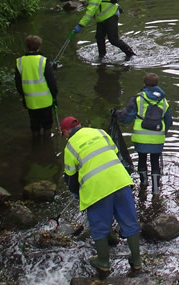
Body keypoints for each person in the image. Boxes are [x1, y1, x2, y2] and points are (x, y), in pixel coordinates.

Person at [61, 115, 142, 275]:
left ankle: (103, 262)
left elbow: (70, 178)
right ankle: (137, 261)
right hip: (121, 181)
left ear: (65, 132)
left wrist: (78, 195)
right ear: (80, 124)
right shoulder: (100, 132)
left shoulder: (70, 147)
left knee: (99, 227)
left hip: (97, 189)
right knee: (129, 221)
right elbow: (117, 154)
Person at [116, 72, 172, 197]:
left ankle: (144, 184)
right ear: (157, 84)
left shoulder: (138, 99)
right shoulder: (164, 101)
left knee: (142, 160)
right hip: (157, 138)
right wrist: (162, 133)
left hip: (140, 138)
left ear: (144, 84)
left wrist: (116, 114)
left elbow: (126, 117)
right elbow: (169, 121)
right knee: (155, 162)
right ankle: (156, 190)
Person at [71, 0, 136, 62]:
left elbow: (91, 11)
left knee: (113, 40)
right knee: (99, 37)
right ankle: (102, 57)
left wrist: (80, 25)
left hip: (111, 15)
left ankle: (131, 54)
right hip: (102, 18)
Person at [15, 35, 58, 137]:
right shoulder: (43, 61)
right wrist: (55, 96)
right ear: (39, 46)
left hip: (30, 101)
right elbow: (51, 82)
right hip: (46, 101)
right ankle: (47, 144)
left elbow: (18, 83)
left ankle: (36, 144)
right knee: (47, 125)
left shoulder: (20, 62)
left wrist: (24, 96)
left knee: (34, 125)